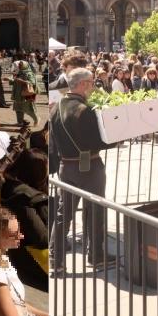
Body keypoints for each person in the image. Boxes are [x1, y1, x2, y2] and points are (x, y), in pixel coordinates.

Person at [51, 67, 113, 271]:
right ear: (83, 84)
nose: (93, 86)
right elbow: (97, 142)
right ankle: (96, 256)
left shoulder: (56, 107)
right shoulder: (83, 110)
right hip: (89, 167)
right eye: (91, 82)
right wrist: (117, 137)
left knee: (63, 214)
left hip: (65, 166)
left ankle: (56, 259)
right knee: (94, 210)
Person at [2, 149, 49, 289]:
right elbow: (42, 238)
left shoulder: (8, 184)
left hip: (24, 252)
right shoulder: (24, 198)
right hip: (33, 259)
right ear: (37, 172)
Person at [11, 60, 39, 127]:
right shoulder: (19, 73)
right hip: (17, 94)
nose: (19, 66)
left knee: (28, 109)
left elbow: (32, 83)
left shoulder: (29, 73)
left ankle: (37, 119)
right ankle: (20, 122)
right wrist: (10, 80)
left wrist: (22, 81)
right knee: (18, 109)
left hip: (26, 94)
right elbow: (15, 81)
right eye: (19, 65)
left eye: (21, 65)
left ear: (25, 65)